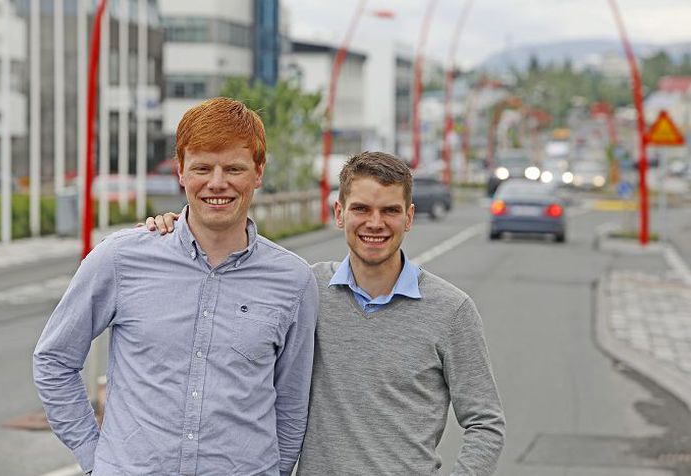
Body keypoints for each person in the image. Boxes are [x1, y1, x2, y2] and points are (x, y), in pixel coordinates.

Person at [148, 151, 506, 474]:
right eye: (361, 209)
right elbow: (225, 280)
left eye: (390, 211)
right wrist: (177, 229)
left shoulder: (451, 310)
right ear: (339, 213)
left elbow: (485, 423)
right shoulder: (305, 289)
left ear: (409, 217)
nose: (375, 223)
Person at [33, 97, 319, 476]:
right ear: (181, 171)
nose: (217, 183)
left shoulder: (294, 281)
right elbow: (54, 360)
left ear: (259, 171)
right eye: (202, 167)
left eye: (234, 168)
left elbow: (292, 403)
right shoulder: (120, 259)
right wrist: (94, 457)